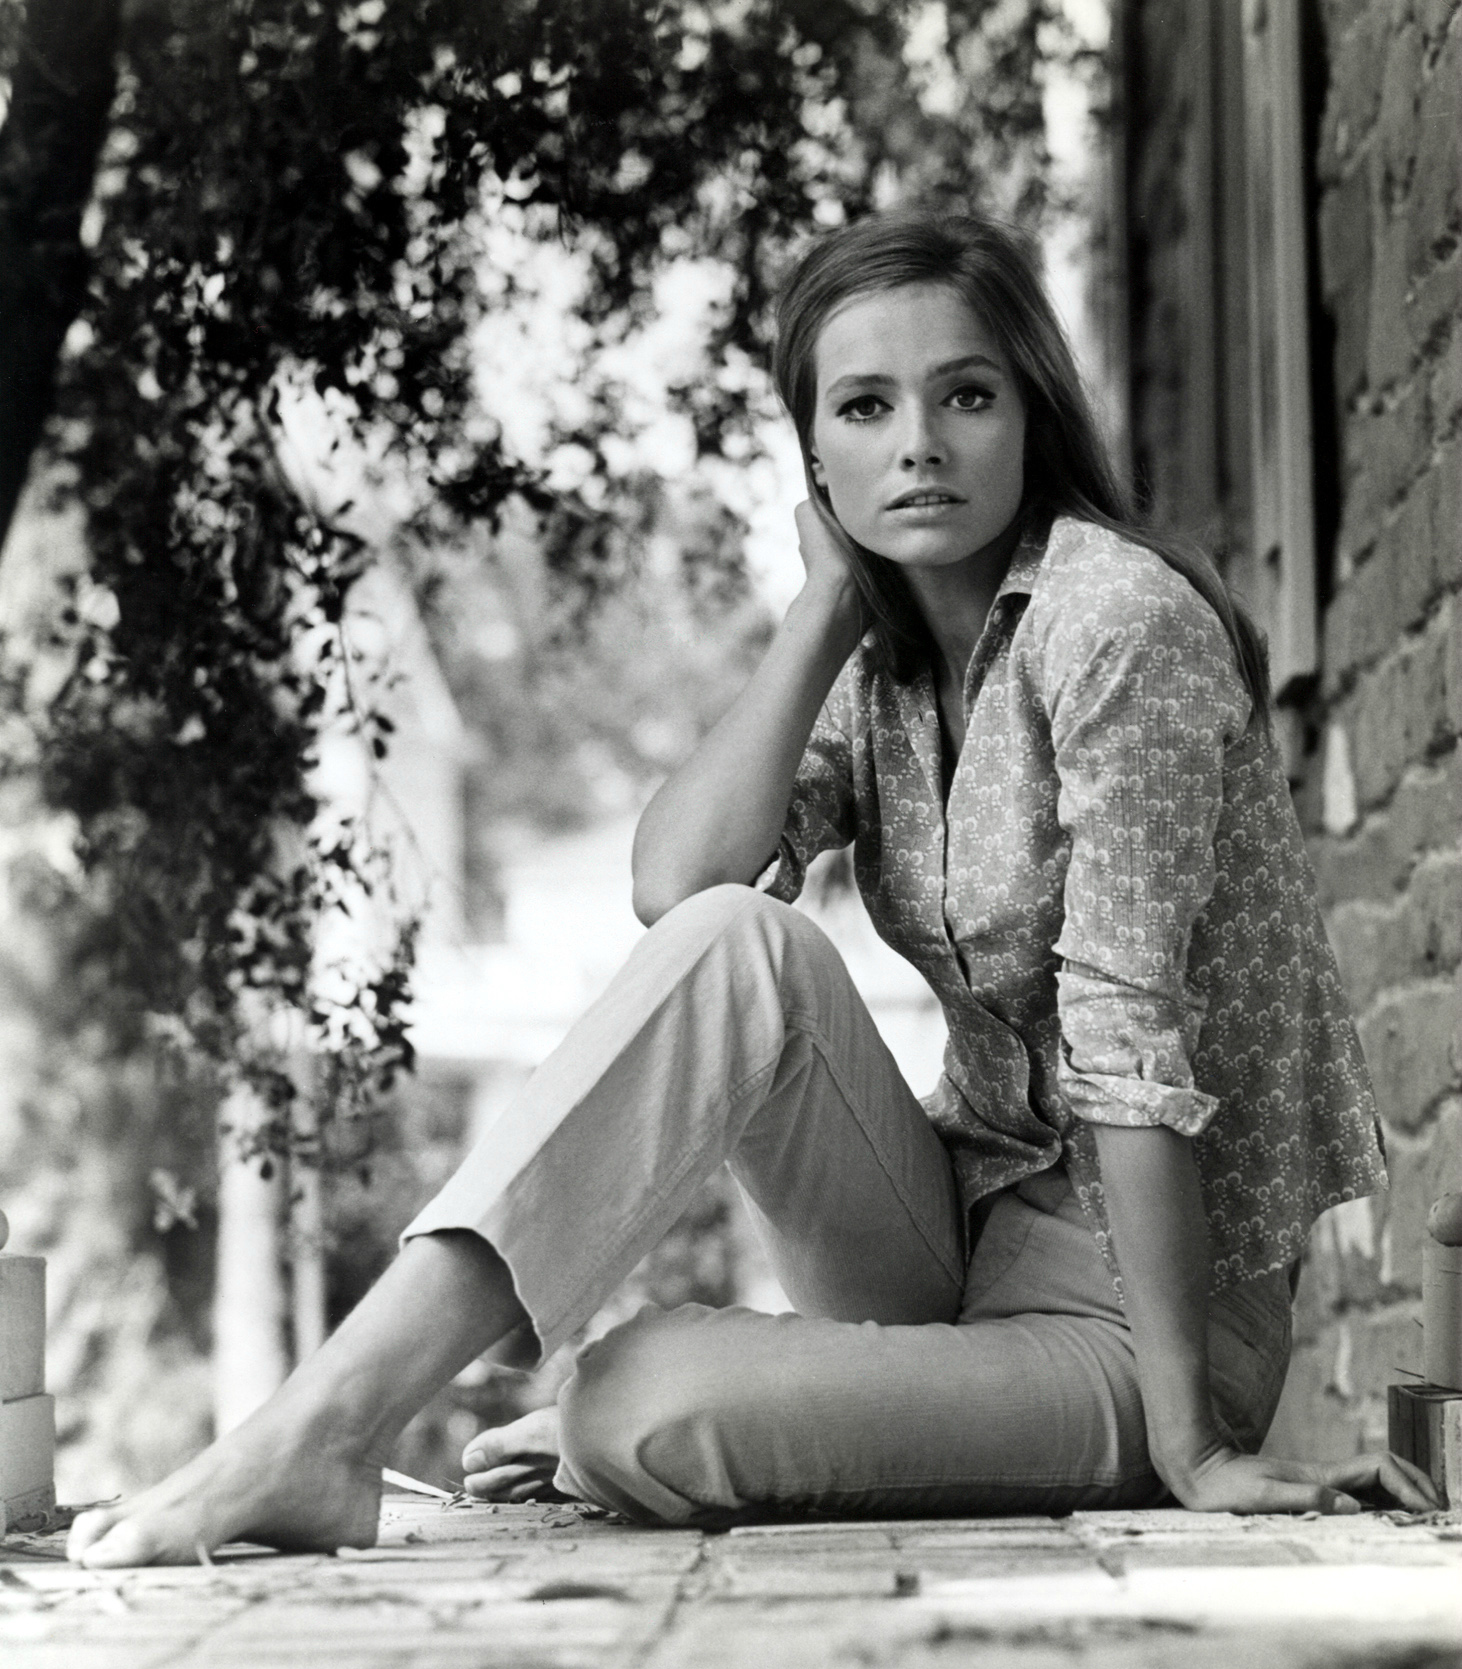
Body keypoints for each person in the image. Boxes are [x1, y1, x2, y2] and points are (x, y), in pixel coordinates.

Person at [68, 212, 1437, 1568]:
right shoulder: (885, 661)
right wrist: (818, 613)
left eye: (966, 395)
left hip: (1145, 1318)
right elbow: (677, 888)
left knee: (631, 1405)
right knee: (739, 941)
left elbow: (1128, 1047)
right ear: (815, 457)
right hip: (955, 1239)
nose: (918, 443)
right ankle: (326, 1425)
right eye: (865, 406)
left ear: (1031, 414)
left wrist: (1191, 1448)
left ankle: (679, 1413)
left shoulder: (1118, 625)